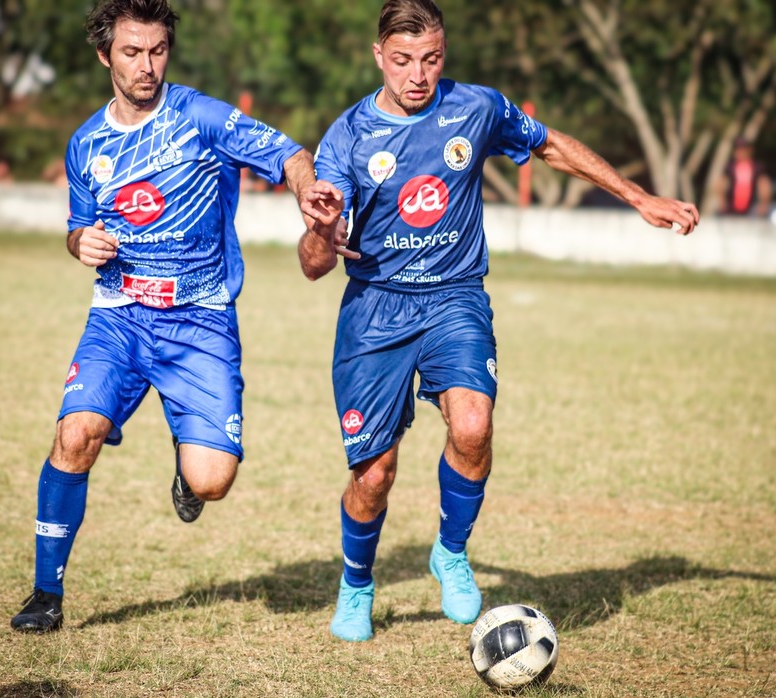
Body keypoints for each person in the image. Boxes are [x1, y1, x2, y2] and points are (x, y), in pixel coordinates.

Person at [298, 0, 699, 643]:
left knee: (474, 424)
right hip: (375, 307)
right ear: (378, 57)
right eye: (402, 61)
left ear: (444, 53)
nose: (417, 75)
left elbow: (552, 147)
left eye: (430, 59)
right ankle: (357, 583)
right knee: (374, 475)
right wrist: (320, 228)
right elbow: (315, 265)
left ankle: (450, 551)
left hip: (456, 296)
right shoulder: (347, 135)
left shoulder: (476, 107)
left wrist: (639, 196)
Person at [10, 0, 343, 633]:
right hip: (120, 314)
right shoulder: (86, 144)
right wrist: (81, 243)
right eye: (132, 52)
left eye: (157, 50)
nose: (147, 65)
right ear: (106, 54)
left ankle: (187, 464)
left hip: (200, 323)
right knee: (75, 435)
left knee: (213, 480)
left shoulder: (201, 117)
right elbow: (79, 228)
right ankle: (45, 594)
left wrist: (307, 190)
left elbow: (289, 152)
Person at [717, 136, 771, 217]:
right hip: (731, 209)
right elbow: (720, 185)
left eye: (742, 149)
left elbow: (764, 186)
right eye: (737, 149)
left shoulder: (757, 167)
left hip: (751, 209)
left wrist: (764, 204)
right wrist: (722, 201)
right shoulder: (730, 167)